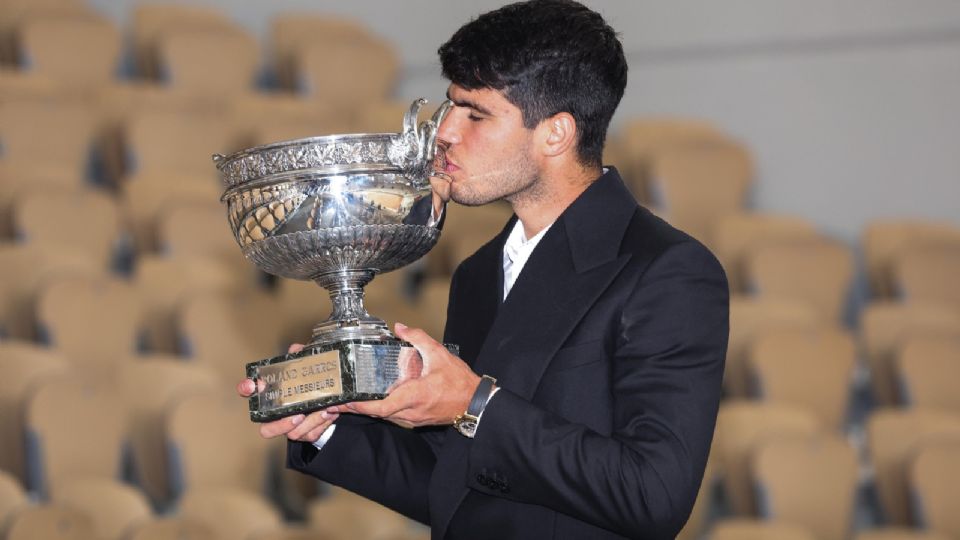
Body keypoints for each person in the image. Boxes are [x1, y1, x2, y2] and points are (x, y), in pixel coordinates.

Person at [238, 1, 728, 538]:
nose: (444, 131)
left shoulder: (668, 270)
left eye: (475, 114)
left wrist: (474, 404)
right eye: (449, 106)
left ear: (555, 135)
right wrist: (328, 431)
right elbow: (461, 489)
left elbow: (652, 493)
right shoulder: (479, 272)